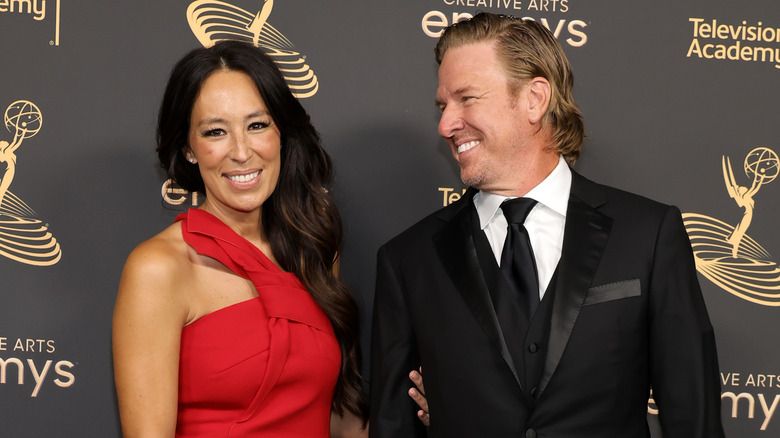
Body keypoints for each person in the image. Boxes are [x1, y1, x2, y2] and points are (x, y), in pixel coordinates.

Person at [370, 12, 724, 437]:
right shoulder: (409, 258)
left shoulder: (647, 234)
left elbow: (694, 420)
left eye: (467, 99)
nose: (446, 124)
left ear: (535, 99)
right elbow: (393, 426)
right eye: (443, 106)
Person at [112, 40, 367, 437]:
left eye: (257, 125)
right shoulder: (159, 268)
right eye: (216, 132)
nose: (242, 151)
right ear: (189, 149)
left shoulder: (312, 249)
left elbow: (340, 417)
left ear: (281, 131)